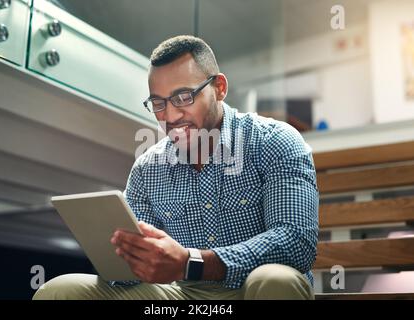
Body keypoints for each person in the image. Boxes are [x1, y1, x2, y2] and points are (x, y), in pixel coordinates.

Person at [33, 35, 319, 300]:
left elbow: (295, 243)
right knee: (59, 291)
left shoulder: (274, 140)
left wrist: (191, 263)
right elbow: (130, 275)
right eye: (158, 103)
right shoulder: (148, 168)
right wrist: (132, 258)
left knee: (275, 279)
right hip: (182, 296)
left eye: (183, 97)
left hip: (252, 291)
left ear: (219, 88)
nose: (169, 116)